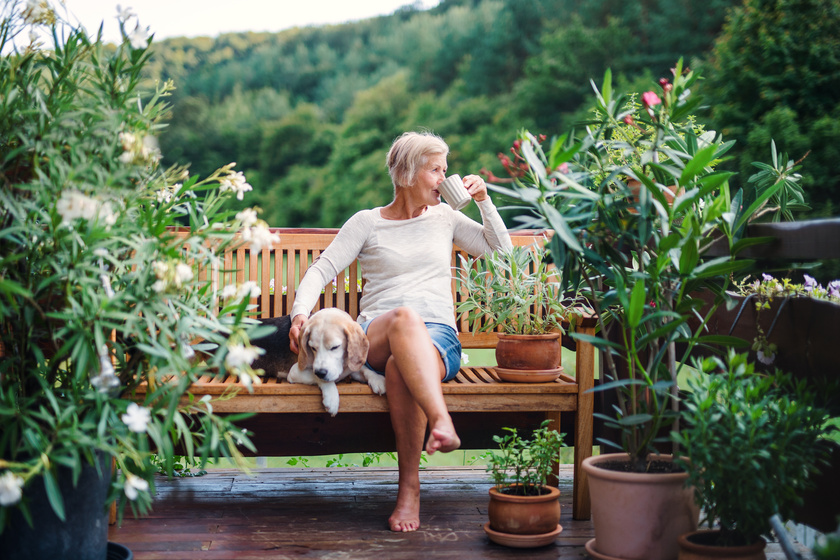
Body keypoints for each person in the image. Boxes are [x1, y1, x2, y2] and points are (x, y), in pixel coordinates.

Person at [288, 131, 513, 532]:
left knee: (398, 370)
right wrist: (299, 315)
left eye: (446, 170)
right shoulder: (367, 223)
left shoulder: (446, 218)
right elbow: (322, 269)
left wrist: (484, 201)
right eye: (435, 170)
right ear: (408, 173)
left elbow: (502, 256)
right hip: (375, 333)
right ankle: (442, 421)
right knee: (405, 318)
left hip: (437, 337)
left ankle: (409, 490)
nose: (445, 179)